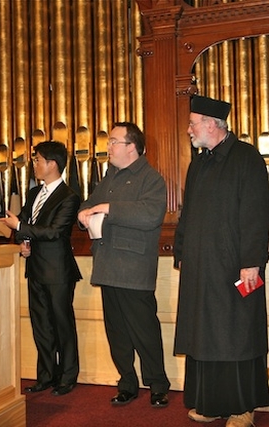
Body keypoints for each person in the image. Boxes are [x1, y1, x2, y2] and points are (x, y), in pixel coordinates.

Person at [173, 95, 269, 426]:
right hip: (201, 268)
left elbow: (256, 215)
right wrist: (182, 253)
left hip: (236, 267)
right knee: (205, 335)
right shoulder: (198, 163)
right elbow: (188, 215)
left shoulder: (247, 158)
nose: (189, 129)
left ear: (212, 125)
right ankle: (211, 402)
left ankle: (243, 407)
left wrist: (251, 262)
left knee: (238, 334)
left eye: (193, 123)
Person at [77, 122, 171, 409]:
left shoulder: (151, 178)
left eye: (114, 141)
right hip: (108, 265)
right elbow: (90, 203)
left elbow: (150, 215)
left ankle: (158, 385)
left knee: (144, 331)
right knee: (117, 332)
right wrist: (84, 212)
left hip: (133, 268)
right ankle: (127, 383)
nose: (109, 146)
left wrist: (108, 209)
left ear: (132, 146)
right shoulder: (109, 178)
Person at [1, 141, 82, 396]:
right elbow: (24, 221)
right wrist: (23, 242)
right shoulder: (35, 192)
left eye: (37, 160)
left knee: (62, 325)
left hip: (58, 271)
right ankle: (46, 375)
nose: (34, 164)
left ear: (52, 164)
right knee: (41, 326)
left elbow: (55, 232)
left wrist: (20, 229)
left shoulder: (69, 196)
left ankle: (67, 376)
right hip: (35, 268)